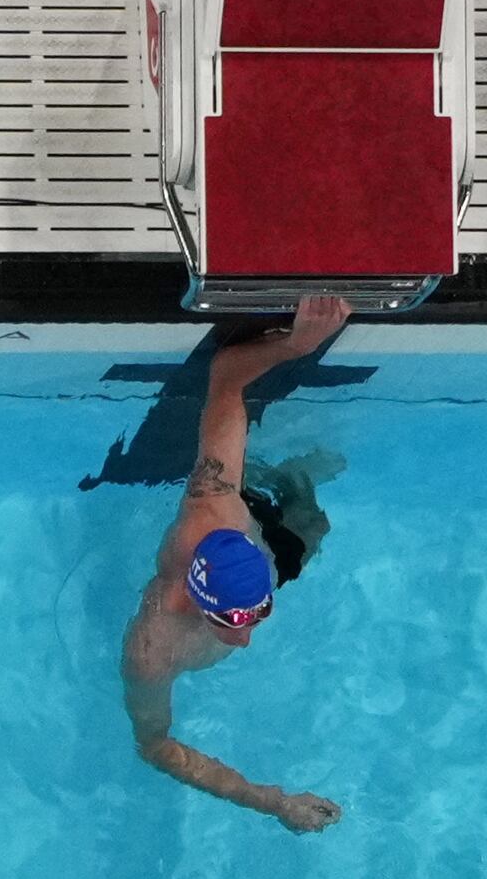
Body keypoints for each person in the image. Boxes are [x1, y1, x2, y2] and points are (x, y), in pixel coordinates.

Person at [122, 294, 351, 830]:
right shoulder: (152, 651)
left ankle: (280, 477)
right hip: (227, 535)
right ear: (197, 602)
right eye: (232, 621)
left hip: (247, 520)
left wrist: (296, 345)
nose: (246, 638)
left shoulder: (219, 499)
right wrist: (272, 802)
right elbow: (155, 746)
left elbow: (227, 378)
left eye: (258, 613)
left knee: (311, 522)